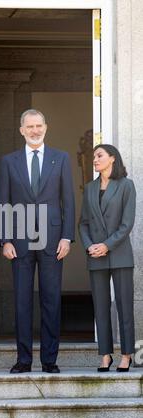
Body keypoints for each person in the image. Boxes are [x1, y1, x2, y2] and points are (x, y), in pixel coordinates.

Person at [0, 109, 75, 373]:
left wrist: (67, 236)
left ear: (46, 127)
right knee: (21, 301)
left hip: (53, 240)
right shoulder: (9, 161)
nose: (34, 130)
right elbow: (3, 203)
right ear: (21, 130)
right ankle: (23, 360)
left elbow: (69, 201)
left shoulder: (61, 158)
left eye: (38, 125)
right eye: (29, 126)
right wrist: (4, 239)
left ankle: (49, 360)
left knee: (51, 300)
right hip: (19, 241)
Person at [79, 144, 136, 372]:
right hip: (96, 256)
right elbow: (83, 223)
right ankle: (105, 355)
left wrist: (106, 245)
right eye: (94, 156)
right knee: (100, 308)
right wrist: (89, 246)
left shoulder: (126, 186)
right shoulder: (90, 188)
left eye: (99, 155)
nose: (95, 159)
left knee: (124, 307)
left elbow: (127, 224)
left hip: (120, 255)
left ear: (112, 159)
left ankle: (126, 354)